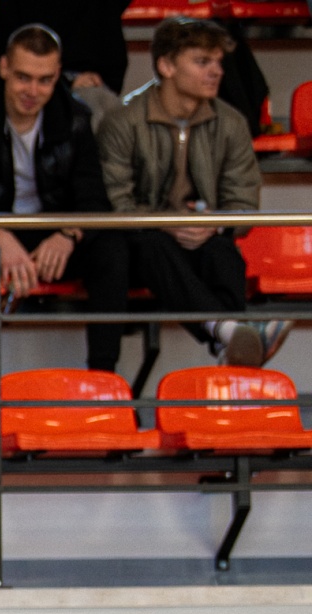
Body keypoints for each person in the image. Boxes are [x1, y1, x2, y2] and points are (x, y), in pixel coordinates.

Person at [0, 24, 127, 379]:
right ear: (3, 67)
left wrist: (68, 235)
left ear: (58, 75)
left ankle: (104, 381)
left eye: (44, 80)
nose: (32, 91)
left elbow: (93, 198)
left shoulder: (76, 118)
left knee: (112, 249)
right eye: (23, 77)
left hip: (49, 232)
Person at [99, 17, 286, 369]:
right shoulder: (123, 121)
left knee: (223, 252)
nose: (217, 71)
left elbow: (244, 204)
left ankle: (226, 346)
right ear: (166, 66)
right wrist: (168, 223)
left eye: (218, 62)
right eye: (203, 62)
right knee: (153, 245)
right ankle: (231, 332)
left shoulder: (231, 122)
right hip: (142, 245)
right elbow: (116, 204)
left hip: (202, 239)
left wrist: (214, 224)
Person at [0, 0, 130, 117]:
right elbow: (3, 45)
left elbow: (112, 62)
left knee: (97, 103)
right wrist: (63, 82)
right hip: (21, 79)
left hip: (89, 85)